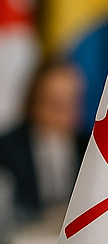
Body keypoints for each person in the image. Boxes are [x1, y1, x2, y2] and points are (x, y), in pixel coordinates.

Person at [0, 59, 87, 225]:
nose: (66, 114)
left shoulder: (88, 148)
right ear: (34, 102)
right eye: (56, 104)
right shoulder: (7, 149)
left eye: (72, 103)